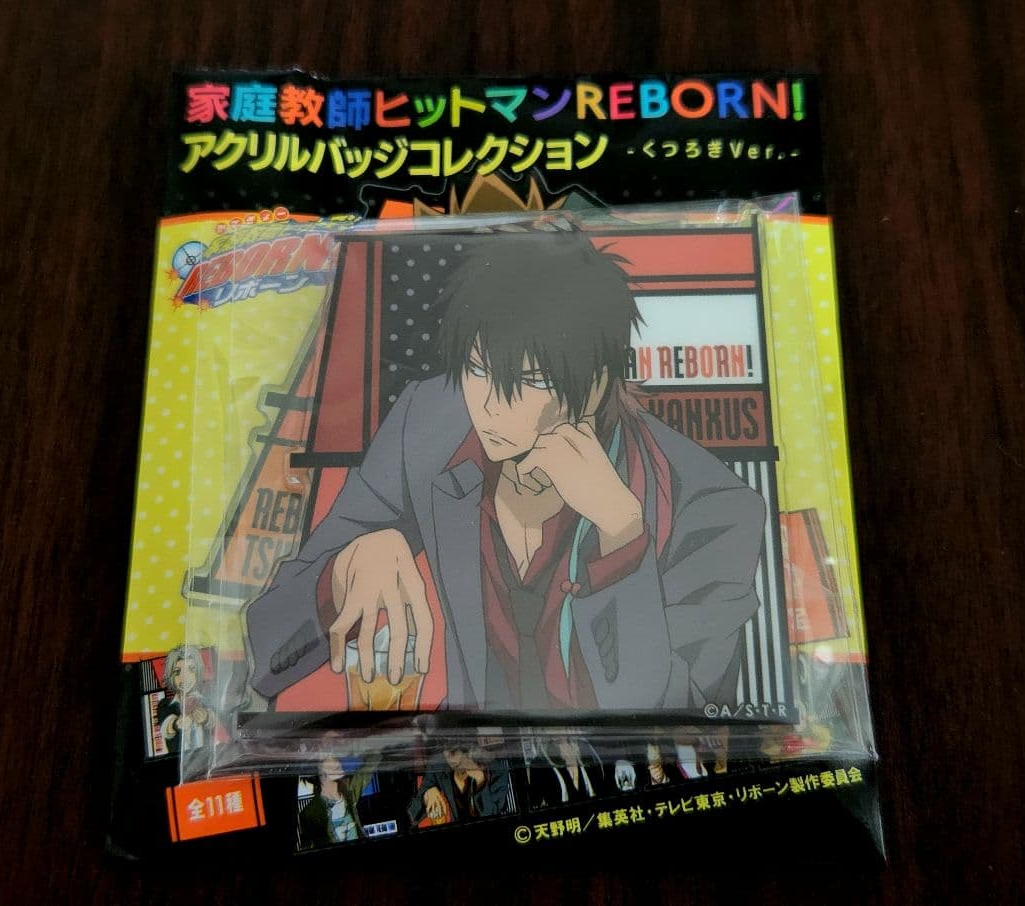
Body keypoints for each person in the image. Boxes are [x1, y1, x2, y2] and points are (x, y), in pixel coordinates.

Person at [245, 232, 766, 712]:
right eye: (478, 369)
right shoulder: (430, 427)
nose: (492, 405)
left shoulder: (712, 507)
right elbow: (268, 650)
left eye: (530, 379)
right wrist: (342, 571)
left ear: (595, 384)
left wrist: (622, 540)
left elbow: (690, 721)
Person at [408, 745, 512, 826]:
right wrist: (426, 795)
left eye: (453, 751)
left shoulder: (497, 771)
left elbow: (493, 816)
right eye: (445, 752)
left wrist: (480, 780)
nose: (450, 759)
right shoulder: (438, 766)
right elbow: (412, 814)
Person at [297, 755, 375, 848]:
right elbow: (307, 845)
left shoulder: (348, 792)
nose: (336, 761)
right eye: (326, 758)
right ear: (322, 773)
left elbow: (367, 769)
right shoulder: (310, 813)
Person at [156, 645, 215, 753]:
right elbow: (165, 729)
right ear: (171, 676)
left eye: (191, 670)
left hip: (206, 756)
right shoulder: (165, 704)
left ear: (198, 672)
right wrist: (176, 724)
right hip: (177, 760)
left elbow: (218, 720)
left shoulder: (206, 700)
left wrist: (206, 717)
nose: (184, 677)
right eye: (177, 672)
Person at [526, 736, 611, 807]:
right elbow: (536, 801)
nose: (564, 746)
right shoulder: (542, 767)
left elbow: (603, 792)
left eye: (567, 742)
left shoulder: (589, 762)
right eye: (559, 743)